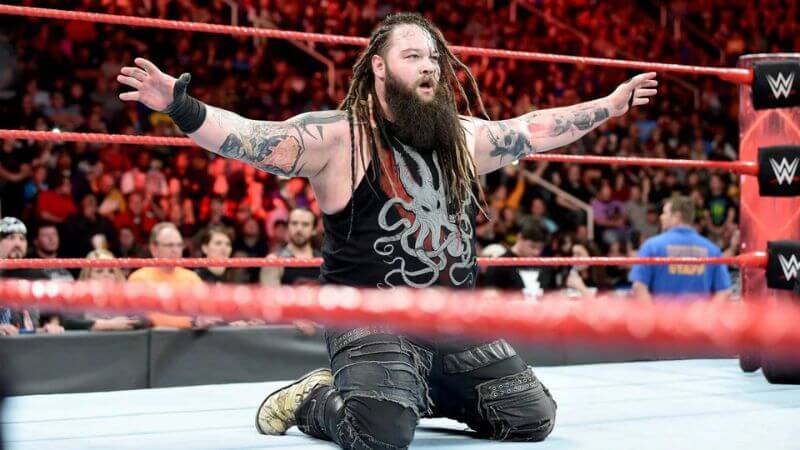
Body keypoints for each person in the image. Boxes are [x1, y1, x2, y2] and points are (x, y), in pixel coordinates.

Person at [118, 12, 657, 448]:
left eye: (434, 58)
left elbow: (531, 129)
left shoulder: (462, 137)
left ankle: (404, 394)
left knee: (530, 418)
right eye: (413, 56)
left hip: (452, 322)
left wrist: (609, 106)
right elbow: (254, 139)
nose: (429, 68)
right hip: (371, 322)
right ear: (378, 67)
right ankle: (315, 399)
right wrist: (181, 107)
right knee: (380, 435)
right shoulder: (340, 138)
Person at [629, 195, 732, 302]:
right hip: (698, 312)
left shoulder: (651, 246)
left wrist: (653, 312)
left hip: (663, 311)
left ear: (676, 216)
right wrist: (709, 312)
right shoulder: (712, 250)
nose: (661, 217)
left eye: (665, 213)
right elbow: (724, 291)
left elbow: (638, 286)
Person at [128, 222, 217, 328]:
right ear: (154, 249)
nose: (176, 250)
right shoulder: (139, 278)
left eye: (179, 245)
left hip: (190, 336)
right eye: (170, 245)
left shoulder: (191, 277)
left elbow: (206, 312)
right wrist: (191, 322)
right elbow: (148, 319)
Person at [0, 217, 64, 334]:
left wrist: (53, 325)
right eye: (11, 238)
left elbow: (55, 312)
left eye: (22, 239)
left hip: (28, 340)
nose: (17, 243)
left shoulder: (35, 274)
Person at [479, 218, 557, 296]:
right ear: (520, 237)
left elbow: (553, 296)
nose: (537, 252)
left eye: (540, 247)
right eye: (532, 246)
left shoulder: (545, 266)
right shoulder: (499, 265)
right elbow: (489, 298)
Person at [260, 207, 322, 286]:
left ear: (314, 230)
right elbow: (269, 292)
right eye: (294, 223)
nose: (299, 229)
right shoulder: (274, 260)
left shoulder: (323, 260)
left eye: (305, 224)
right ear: (287, 227)